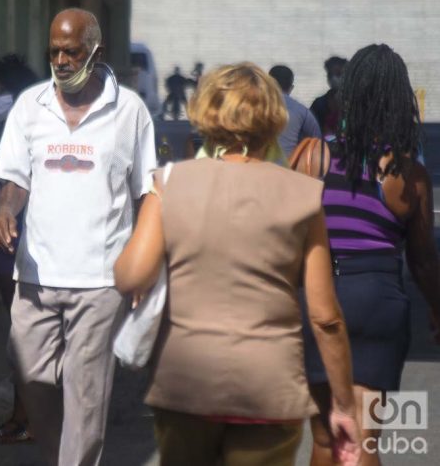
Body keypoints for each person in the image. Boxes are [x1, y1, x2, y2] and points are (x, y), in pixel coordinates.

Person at [114, 62, 360, 466]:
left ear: (206, 113)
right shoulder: (304, 194)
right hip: (269, 388)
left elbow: (131, 275)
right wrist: (344, 404)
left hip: (185, 388)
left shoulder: (170, 183)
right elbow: (325, 317)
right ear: (274, 117)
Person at [0, 8, 156, 465]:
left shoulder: (130, 111)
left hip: (101, 278)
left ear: (95, 52)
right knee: (31, 375)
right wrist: (5, 211)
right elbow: (15, 180)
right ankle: (56, 455)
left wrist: (146, 267)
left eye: (71, 51)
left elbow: (146, 194)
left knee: (87, 395)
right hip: (37, 274)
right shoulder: (31, 105)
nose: (61, 61)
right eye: (54, 52)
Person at [301, 44, 440, 466]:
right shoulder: (407, 174)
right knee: (363, 439)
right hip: (378, 298)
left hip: (320, 292)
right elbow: (422, 260)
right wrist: (437, 310)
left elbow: (287, 234)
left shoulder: (312, 157)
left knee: (326, 437)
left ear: (349, 94)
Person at [0, 55, 38, 443]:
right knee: (17, 334)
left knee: (26, 335)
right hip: (2, 247)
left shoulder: (30, 137)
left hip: (26, 248)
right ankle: (24, 415)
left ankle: (29, 418)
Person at [269, 64, 321, 157]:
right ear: (291, 87)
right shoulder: (302, 111)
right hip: (288, 167)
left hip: (255, 166)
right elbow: (317, 141)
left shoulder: (253, 107)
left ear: (267, 84)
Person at [310, 56, 347, 136]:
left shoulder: (358, 103)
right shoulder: (319, 103)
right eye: (330, 74)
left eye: (338, 74)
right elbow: (311, 129)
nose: (333, 78)